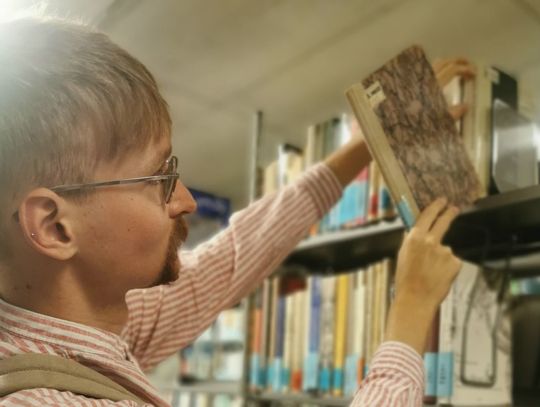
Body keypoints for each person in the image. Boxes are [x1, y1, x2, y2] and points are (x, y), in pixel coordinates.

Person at [0, 15, 473, 407]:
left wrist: (370, 142)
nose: (184, 199)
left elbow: (231, 258)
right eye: (160, 179)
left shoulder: (73, 323)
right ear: (54, 226)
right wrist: (410, 312)